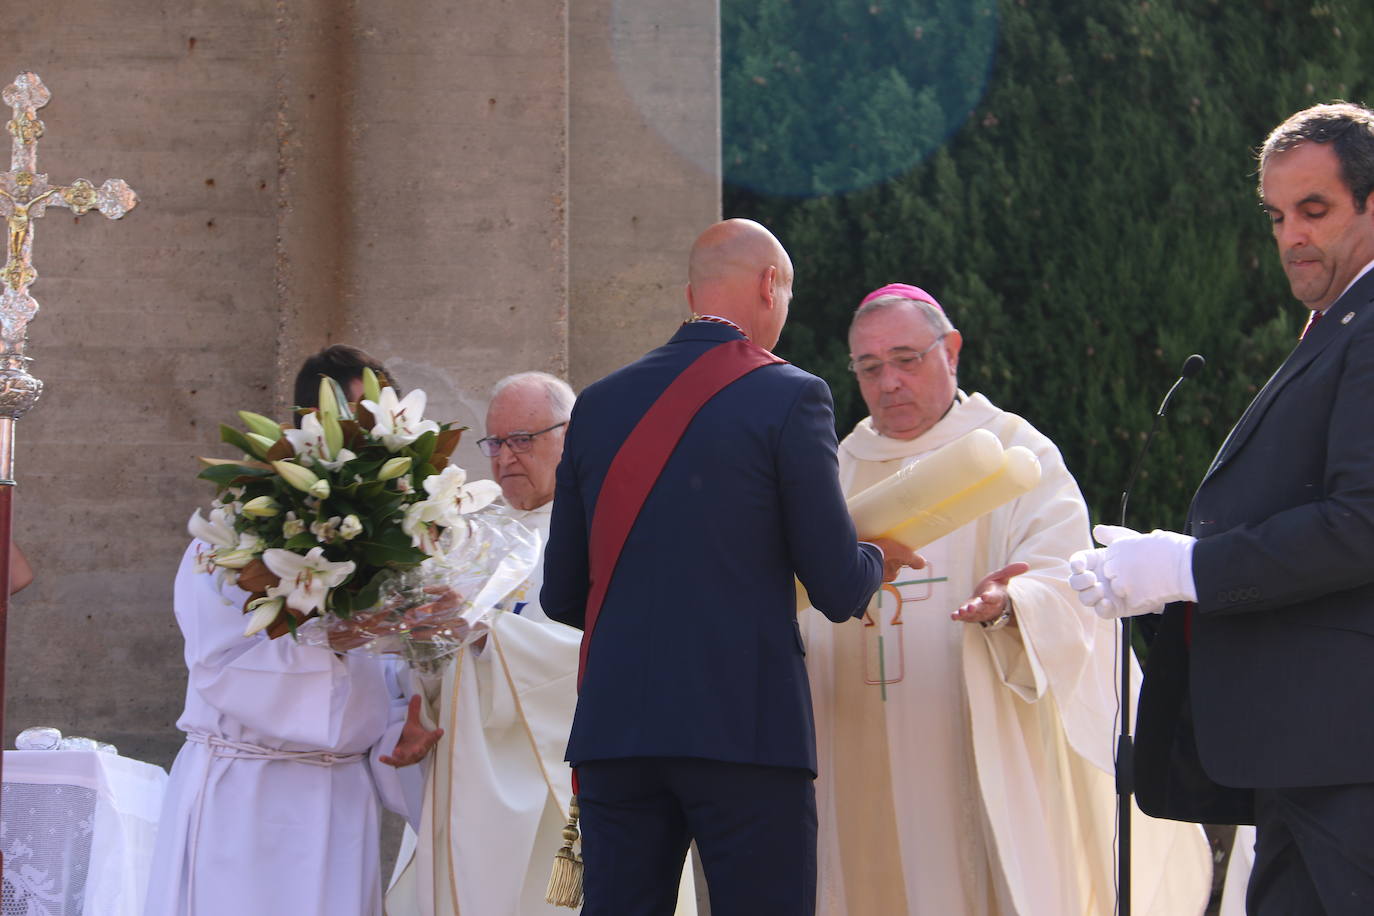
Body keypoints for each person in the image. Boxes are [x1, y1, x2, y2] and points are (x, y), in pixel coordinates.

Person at [541, 218, 916, 915]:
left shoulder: (596, 405)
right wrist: (875, 561)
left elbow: (564, 594)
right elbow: (836, 587)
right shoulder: (791, 395)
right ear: (771, 284)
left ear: (691, 294)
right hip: (743, 730)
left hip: (616, 734)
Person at [801, 285, 1211, 915]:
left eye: (907, 359)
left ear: (952, 351)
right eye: (870, 367)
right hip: (853, 737)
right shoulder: (834, 468)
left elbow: (1067, 572)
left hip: (981, 733)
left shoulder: (1015, 452)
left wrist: (1012, 602)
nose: (889, 383)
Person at [1068, 102, 1374, 915]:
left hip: (1347, 749)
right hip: (1303, 749)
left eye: (1316, 210)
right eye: (1277, 216)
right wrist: (1164, 577)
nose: (1291, 236)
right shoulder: (1337, 326)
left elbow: (1363, 524)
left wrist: (1187, 567)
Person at [145, 349, 440, 916]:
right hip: (248, 794)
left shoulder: (392, 546)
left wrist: (401, 723)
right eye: (358, 418)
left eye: (382, 423)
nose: (370, 439)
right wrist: (335, 636)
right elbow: (222, 670)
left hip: (339, 799)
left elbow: (379, 685)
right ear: (311, 422)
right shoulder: (229, 543)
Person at [389, 372, 636, 915]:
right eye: (495, 443)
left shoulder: (607, 529)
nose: (503, 458)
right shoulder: (468, 535)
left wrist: (488, 633)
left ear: (570, 436)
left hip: (555, 784)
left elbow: (620, 656)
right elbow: (437, 665)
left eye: (522, 440)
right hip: (469, 779)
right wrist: (425, 661)